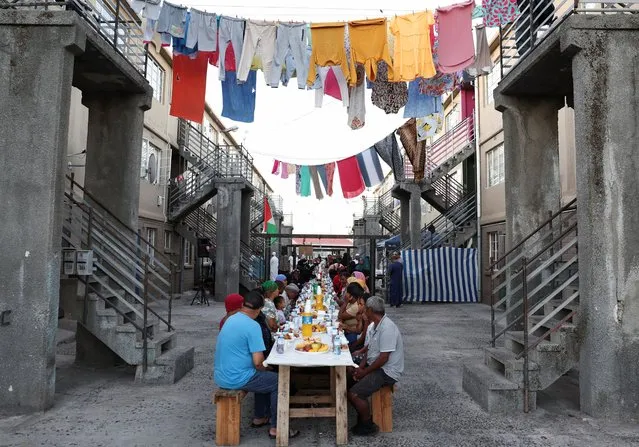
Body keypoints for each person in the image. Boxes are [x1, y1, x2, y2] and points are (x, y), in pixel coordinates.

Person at [214, 291, 300, 439]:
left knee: (264, 377)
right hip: (237, 377)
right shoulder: (253, 326)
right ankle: (277, 427)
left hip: (221, 375)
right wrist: (271, 368)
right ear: (259, 309)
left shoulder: (230, 319)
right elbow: (259, 363)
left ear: (243, 305)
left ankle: (260, 417)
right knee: (278, 380)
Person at [348, 296, 404, 436]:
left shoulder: (387, 328)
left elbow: (383, 358)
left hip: (387, 371)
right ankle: (361, 414)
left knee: (354, 394)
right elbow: (371, 350)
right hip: (377, 365)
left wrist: (364, 372)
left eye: (366, 309)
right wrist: (361, 367)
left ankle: (367, 424)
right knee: (348, 376)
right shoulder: (375, 326)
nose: (364, 311)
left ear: (370, 310)